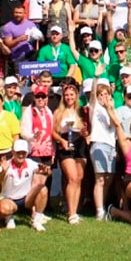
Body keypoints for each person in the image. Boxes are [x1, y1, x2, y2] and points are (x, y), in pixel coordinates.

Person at [0, 139, 52, 232]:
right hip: (9, 199)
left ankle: (37, 221)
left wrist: (46, 171)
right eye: (18, 153)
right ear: (13, 152)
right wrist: (4, 171)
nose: (21, 155)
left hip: (26, 199)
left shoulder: (31, 163)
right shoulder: (6, 165)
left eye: (23, 153)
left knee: (43, 189)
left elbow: (47, 172)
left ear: (27, 153)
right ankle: (8, 217)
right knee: (4, 209)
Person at [52, 84, 88, 224]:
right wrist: (61, 141)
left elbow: (86, 130)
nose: (69, 97)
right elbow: (53, 131)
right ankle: (71, 213)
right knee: (72, 178)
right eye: (66, 95)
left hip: (80, 145)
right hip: (65, 145)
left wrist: (85, 133)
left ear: (76, 96)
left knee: (78, 178)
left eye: (72, 94)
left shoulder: (81, 111)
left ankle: (74, 211)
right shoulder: (58, 112)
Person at [86, 75, 120, 221]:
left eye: (106, 94)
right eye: (101, 94)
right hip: (99, 144)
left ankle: (103, 206)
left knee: (108, 179)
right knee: (100, 179)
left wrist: (110, 108)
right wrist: (96, 77)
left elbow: (115, 124)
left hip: (111, 145)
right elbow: (92, 95)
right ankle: (99, 210)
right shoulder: (95, 108)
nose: (103, 97)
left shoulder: (111, 109)